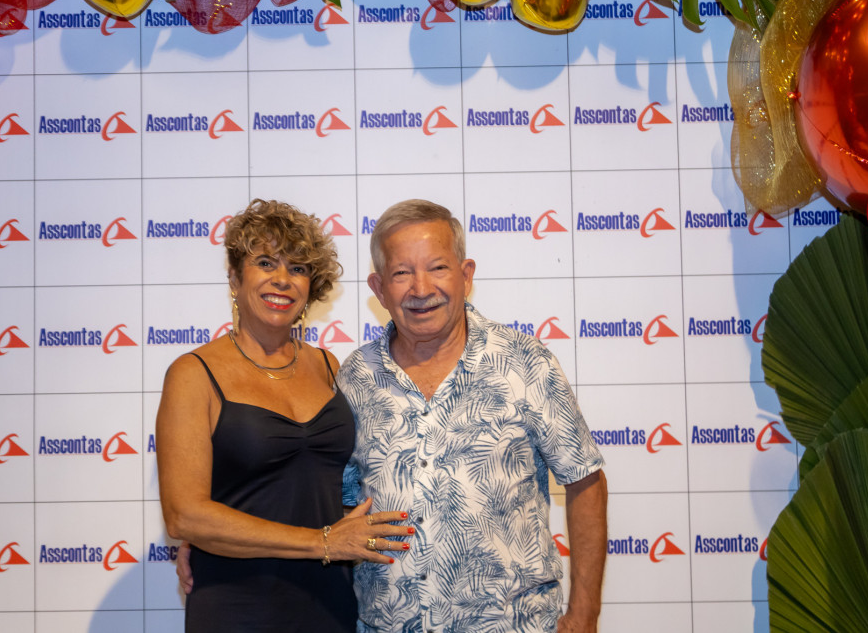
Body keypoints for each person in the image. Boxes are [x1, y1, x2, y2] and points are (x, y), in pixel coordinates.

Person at [340, 198, 608, 633]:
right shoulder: (355, 377)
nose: (421, 288)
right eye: (402, 273)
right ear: (379, 288)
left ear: (466, 276)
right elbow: (334, 497)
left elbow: (585, 481)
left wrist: (583, 616)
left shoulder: (525, 361)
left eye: (437, 268)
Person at [157, 199, 414, 633]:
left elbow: (351, 477)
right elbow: (185, 516)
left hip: (329, 604)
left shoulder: (329, 366)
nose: (282, 278)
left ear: (311, 286)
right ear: (235, 277)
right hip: (238, 608)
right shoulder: (193, 374)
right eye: (265, 263)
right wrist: (323, 541)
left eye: (297, 268)